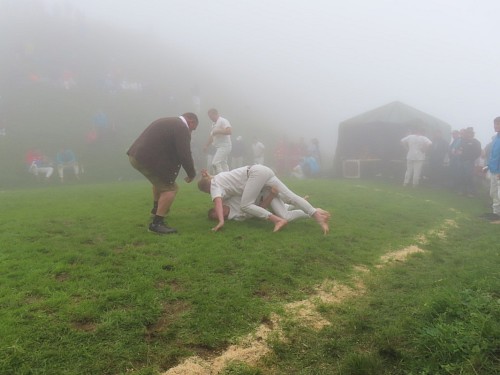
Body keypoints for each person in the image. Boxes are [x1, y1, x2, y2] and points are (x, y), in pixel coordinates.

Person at [197, 164, 331, 234]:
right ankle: (316, 214)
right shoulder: (219, 179)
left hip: (255, 174)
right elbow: (222, 190)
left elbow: (218, 202)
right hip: (262, 171)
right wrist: (209, 175)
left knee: (245, 205)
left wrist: (220, 222)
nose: (211, 194)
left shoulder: (214, 184)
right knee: (290, 198)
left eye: (207, 192)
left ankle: (277, 221)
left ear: (207, 188)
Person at [127, 113, 198, 234]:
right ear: (190, 121)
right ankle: (156, 224)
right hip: (146, 160)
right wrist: (191, 173)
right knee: (170, 189)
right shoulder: (181, 127)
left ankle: (156, 210)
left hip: (137, 155)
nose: (191, 131)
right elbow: (184, 153)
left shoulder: (170, 122)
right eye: (193, 128)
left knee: (160, 182)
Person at [208, 187, 309, 223]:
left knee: (283, 214)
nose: (223, 212)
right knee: (284, 215)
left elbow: (222, 184)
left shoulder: (225, 199)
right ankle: (309, 212)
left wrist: (209, 177)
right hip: (265, 197)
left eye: (218, 211)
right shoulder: (237, 216)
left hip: (261, 186)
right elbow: (260, 209)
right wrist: (271, 195)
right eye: (221, 216)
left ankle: (304, 206)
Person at [204, 108, 232, 174]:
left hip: (225, 146)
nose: (210, 118)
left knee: (215, 163)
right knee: (223, 164)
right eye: (209, 117)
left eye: (211, 116)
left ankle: (220, 179)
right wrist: (206, 145)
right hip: (219, 147)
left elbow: (229, 131)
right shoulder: (213, 124)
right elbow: (212, 136)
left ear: (215, 114)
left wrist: (218, 131)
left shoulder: (223, 120)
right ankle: (228, 180)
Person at [483, 117, 500, 220]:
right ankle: (496, 213)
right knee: (493, 193)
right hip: (493, 170)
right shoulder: (495, 138)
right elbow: (493, 154)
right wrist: (488, 166)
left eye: (497, 124)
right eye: (495, 124)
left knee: (499, 194)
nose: (495, 126)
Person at [457, 127, 482, 196]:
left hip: (469, 162)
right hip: (462, 161)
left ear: (472, 134)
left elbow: (478, 152)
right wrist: (459, 153)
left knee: (469, 177)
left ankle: (470, 192)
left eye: (470, 133)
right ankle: (462, 191)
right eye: (467, 132)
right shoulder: (464, 141)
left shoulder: (476, 142)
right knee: (462, 176)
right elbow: (460, 149)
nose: (468, 134)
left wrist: (471, 159)